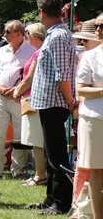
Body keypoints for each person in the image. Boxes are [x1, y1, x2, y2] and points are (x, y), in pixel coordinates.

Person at [28, 0, 76, 215]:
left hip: (55, 103)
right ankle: (51, 198)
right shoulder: (55, 34)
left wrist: (69, 100)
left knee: (57, 155)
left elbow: (62, 73)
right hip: (49, 102)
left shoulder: (57, 36)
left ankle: (62, 202)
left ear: (42, 12)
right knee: (51, 153)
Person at [0, 19, 35, 181]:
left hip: (19, 97)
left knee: (20, 134)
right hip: (1, 96)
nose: (4, 34)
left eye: (8, 31)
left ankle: (18, 170)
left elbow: (31, 76)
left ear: (19, 34)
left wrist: (17, 90)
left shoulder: (31, 51)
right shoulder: (2, 51)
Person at [75, 12, 103, 219]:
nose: (99, 30)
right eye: (97, 26)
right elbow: (81, 90)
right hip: (94, 118)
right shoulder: (90, 56)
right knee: (96, 170)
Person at [13, 23, 47, 187]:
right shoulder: (38, 52)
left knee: (36, 139)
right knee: (35, 140)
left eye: (27, 34)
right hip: (32, 99)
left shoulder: (38, 53)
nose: (26, 38)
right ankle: (39, 173)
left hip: (33, 100)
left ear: (35, 35)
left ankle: (40, 175)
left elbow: (29, 78)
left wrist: (17, 91)